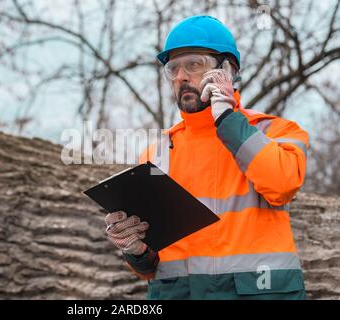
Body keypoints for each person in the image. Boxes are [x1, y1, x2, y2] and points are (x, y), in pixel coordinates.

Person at [105, 15, 309, 300]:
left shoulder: (275, 131)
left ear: (227, 70)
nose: (181, 76)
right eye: (173, 68)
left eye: (194, 64)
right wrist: (137, 251)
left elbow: (283, 183)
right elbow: (152, 269)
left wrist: (227, 118)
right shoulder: (156, 154)